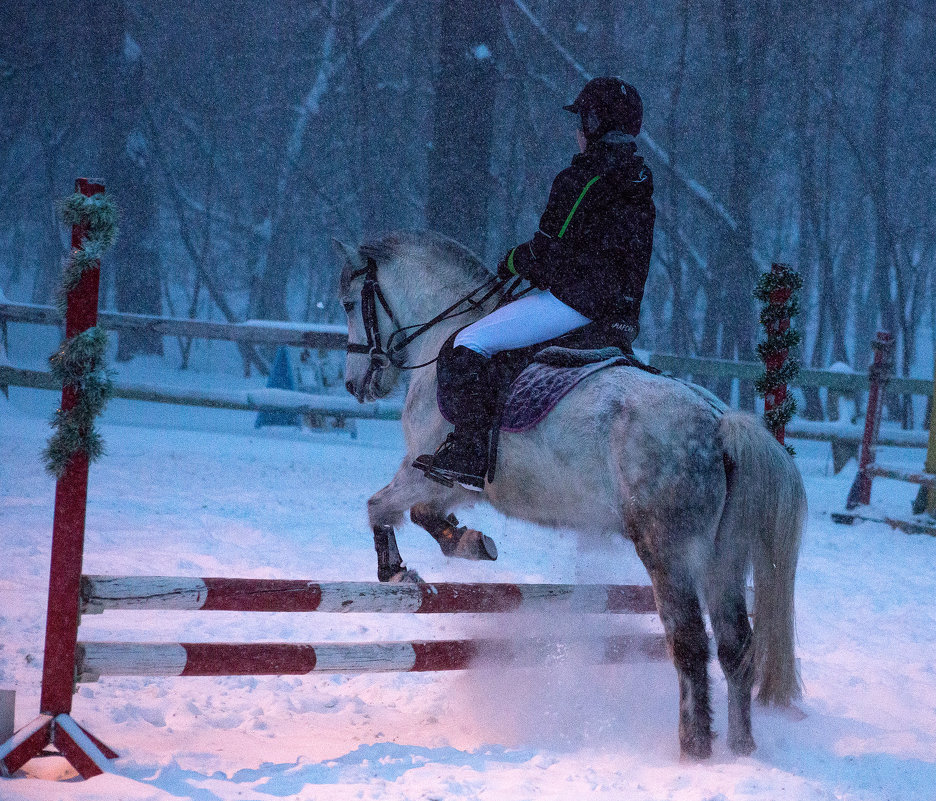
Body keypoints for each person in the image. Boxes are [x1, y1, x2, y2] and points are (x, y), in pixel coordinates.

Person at [413, 76, 656, 490]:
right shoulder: (637, 180)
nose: (577, 131)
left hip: (573, 302)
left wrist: (512, 260)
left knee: (465, 346)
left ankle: (470, 452)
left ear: (596, 124)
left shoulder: (583, 179)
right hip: (620, 312)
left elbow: (548, 252)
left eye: (582, 120)